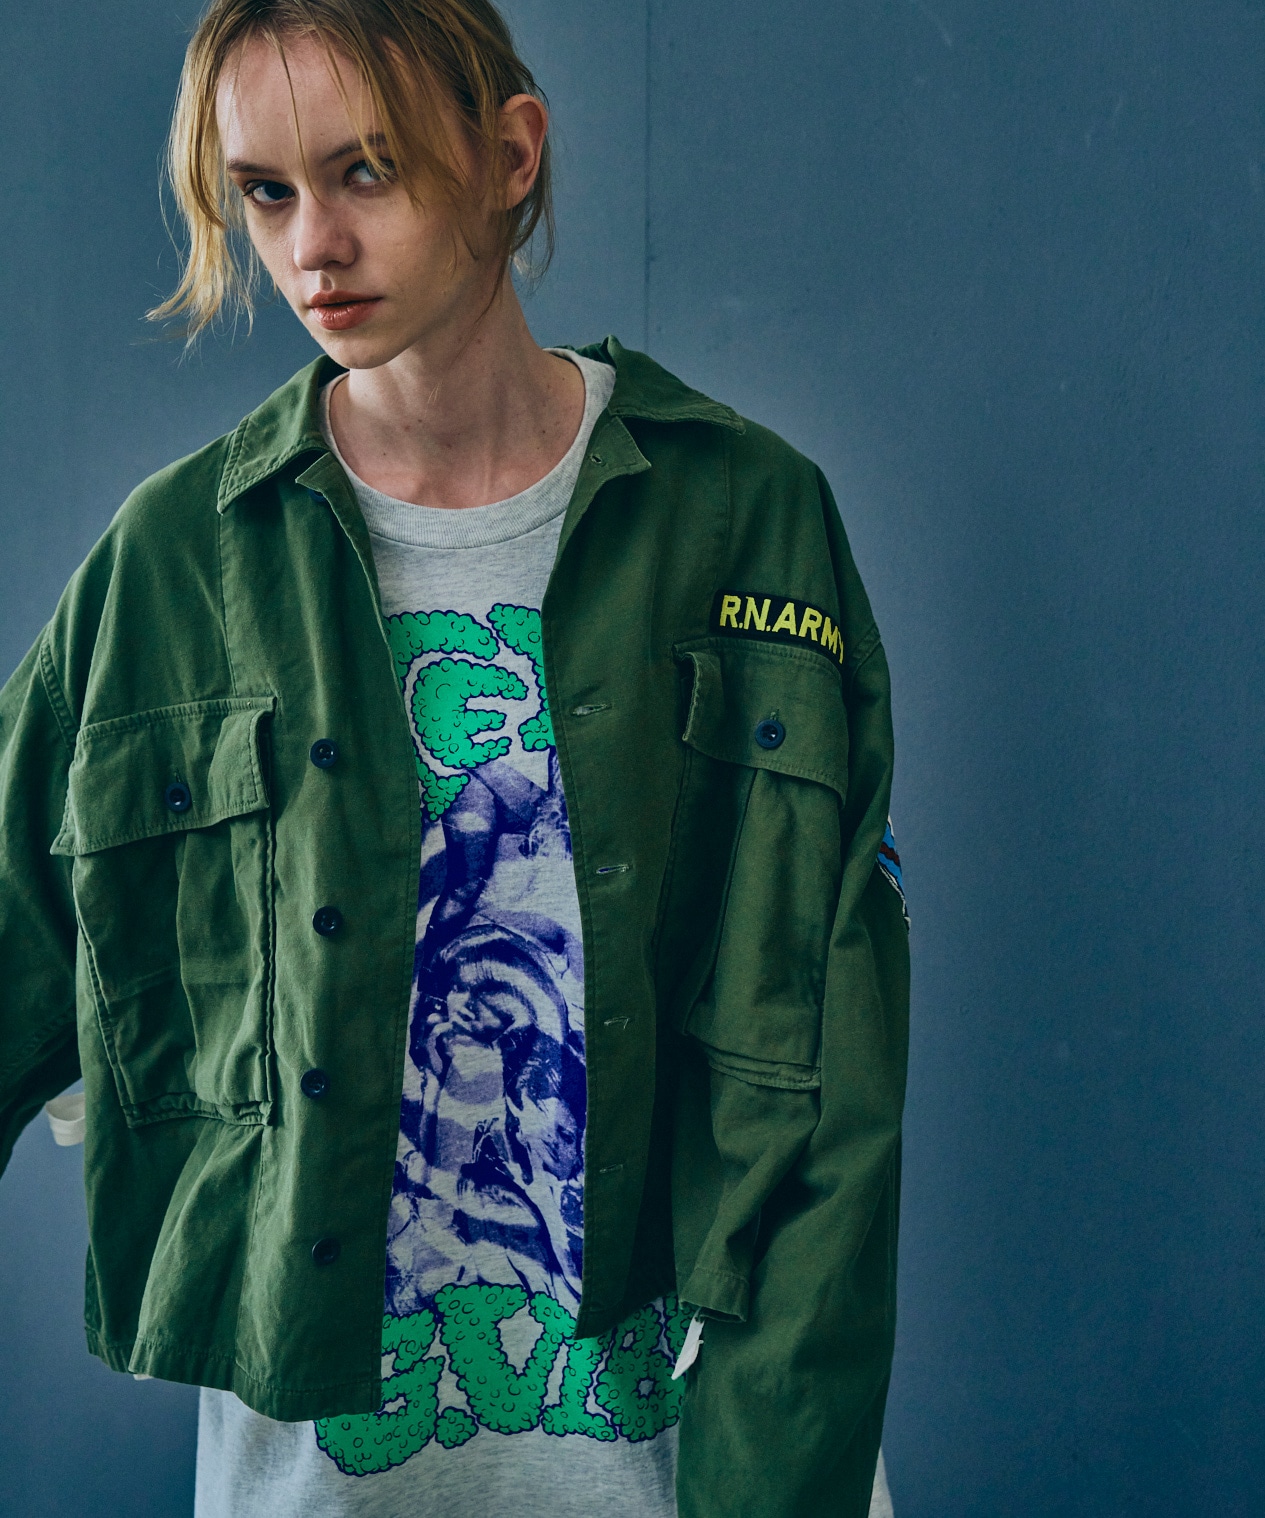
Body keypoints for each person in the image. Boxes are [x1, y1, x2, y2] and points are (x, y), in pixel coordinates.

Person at [0, 1, 909, 1514]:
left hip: (700, 1471)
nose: (312, 248)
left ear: (508, 154)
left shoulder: (748, 519)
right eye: (265, 193)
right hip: (322, 1482)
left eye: (366, 171)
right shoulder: (171, 567)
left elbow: (831, 1082)